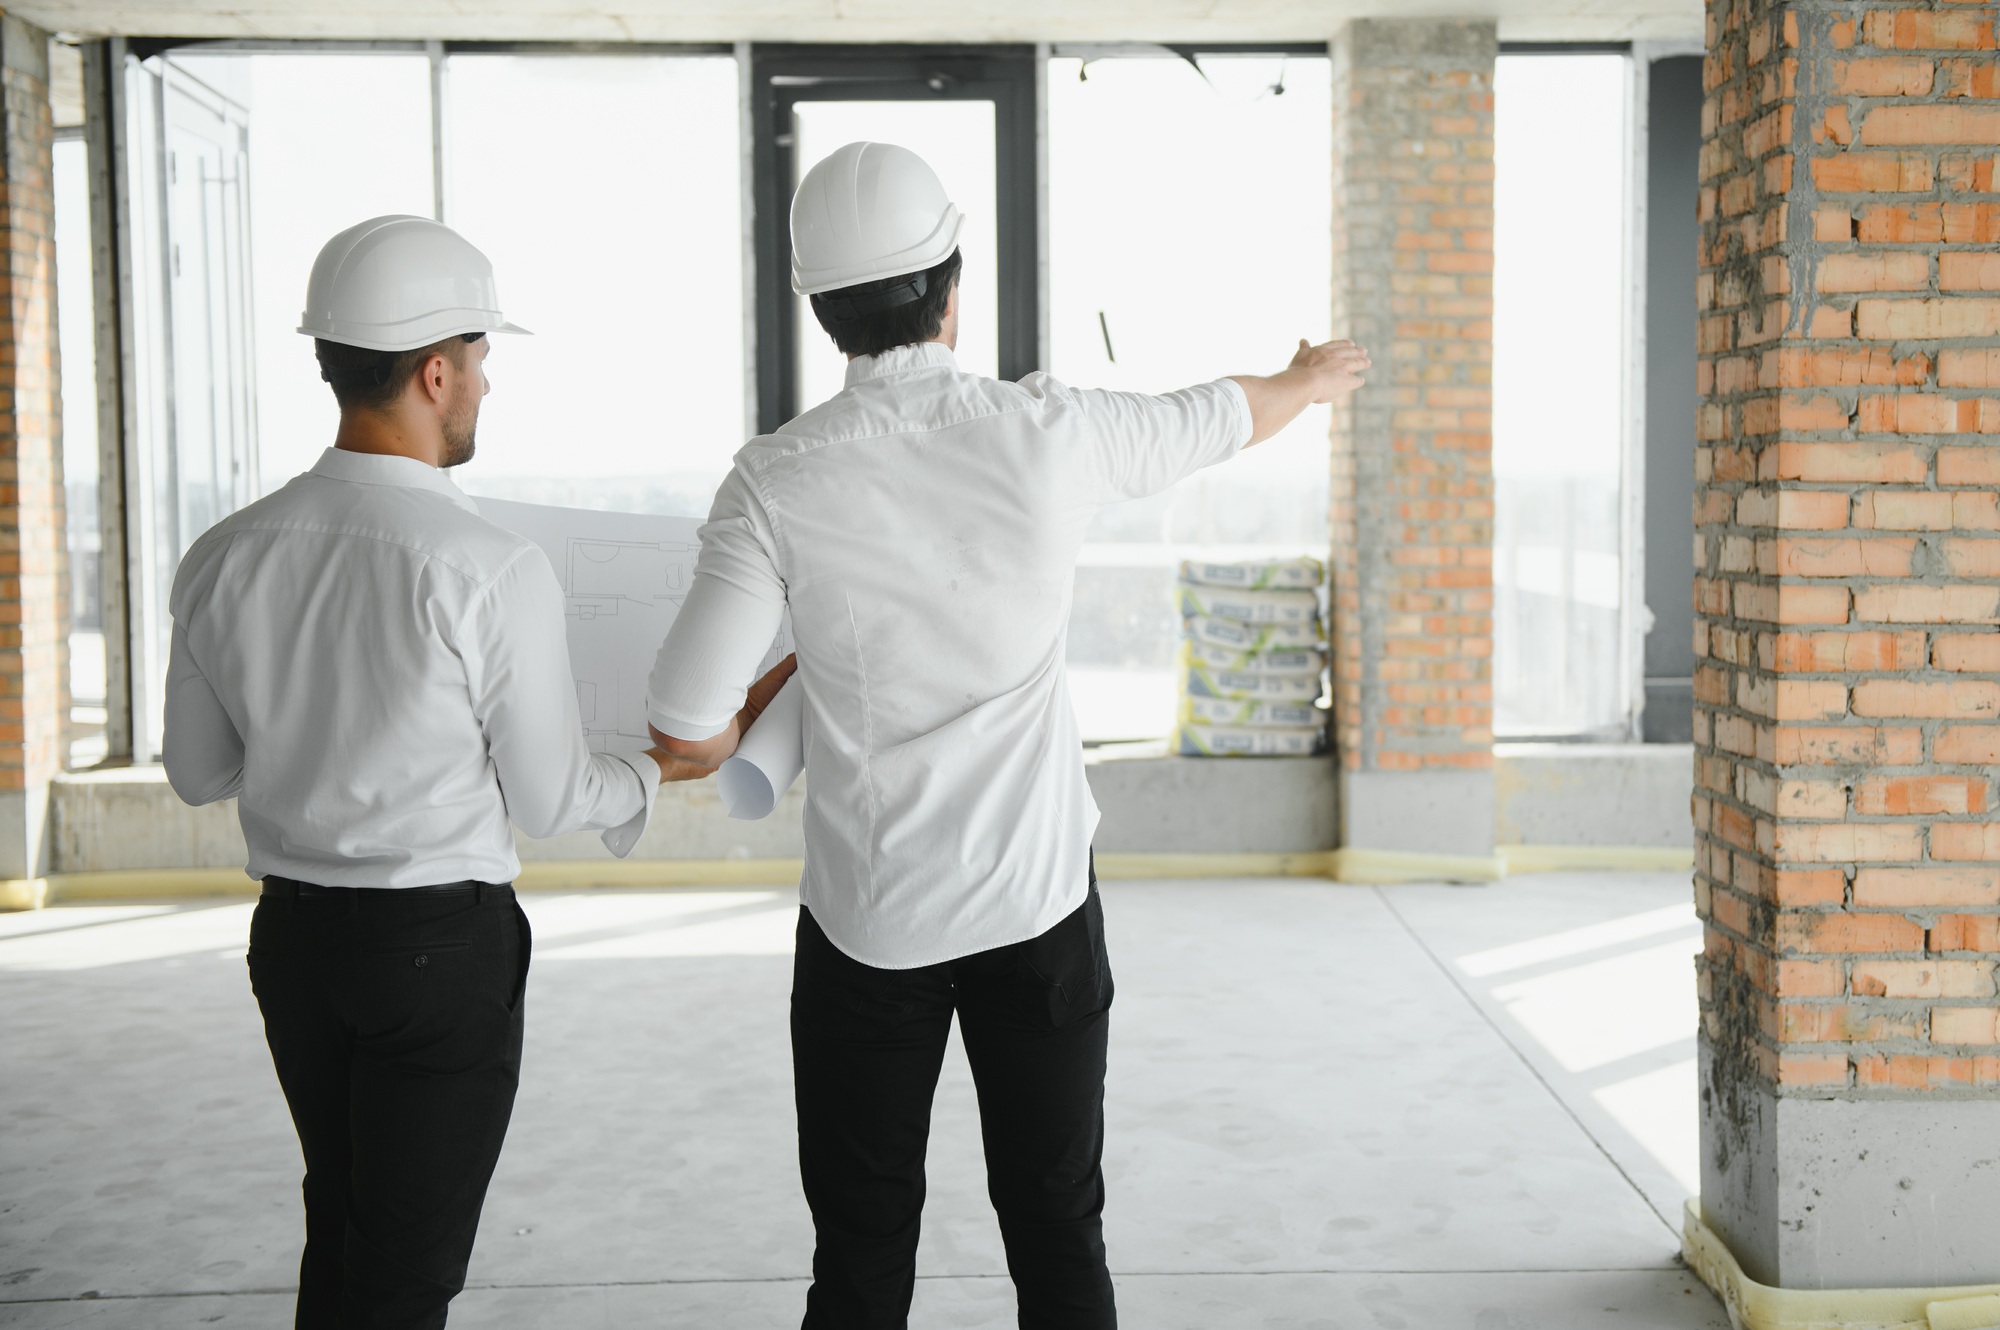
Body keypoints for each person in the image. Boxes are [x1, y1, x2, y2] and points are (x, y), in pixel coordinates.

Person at [644, 142, 1369, 1329]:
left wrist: (764, 699)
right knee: (1055, 1229)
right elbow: (1218, 416)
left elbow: (685, 721)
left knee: (862, 1247)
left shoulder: (772, 482)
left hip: (867, 925)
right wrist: (1301, 378)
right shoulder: (1048, 433)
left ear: (820, 308)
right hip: (1034, 906)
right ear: (951, 287)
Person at [161, 215, 782, 1329]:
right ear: (435, 370)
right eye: (483, 362)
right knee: (406, 1270)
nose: (487, 387)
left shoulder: (224, 551)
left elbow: (199, 772)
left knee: (341, 1222)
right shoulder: (489, 568)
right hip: (436, 954)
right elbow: (549, 798)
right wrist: (660, 766)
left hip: (295, 947)